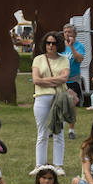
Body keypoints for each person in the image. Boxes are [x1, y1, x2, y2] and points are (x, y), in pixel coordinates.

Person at [31, 32, 72, 166]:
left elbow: (65, 78)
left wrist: (45, 81)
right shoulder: (38, 59)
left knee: (58, 133)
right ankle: (39, 165)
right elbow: (36, 80)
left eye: (54, 43)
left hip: (59, 98)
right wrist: (56, 80)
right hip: (41, 98)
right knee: (42, 133)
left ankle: (58, 165)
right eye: (48, 43)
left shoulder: (64, 60)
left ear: (58, 44)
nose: (50, 45)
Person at [61, 25, 88, 134]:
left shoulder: (79, 46)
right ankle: (58, 128)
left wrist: (71, 47)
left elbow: (79, 59)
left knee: (72, 105)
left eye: (69, 32)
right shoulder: (60, 46)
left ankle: (71, 130)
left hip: (73, 80)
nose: (67, 34)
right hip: (61, 80)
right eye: (65, 32)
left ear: (75, 34)